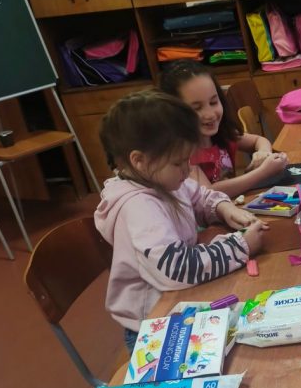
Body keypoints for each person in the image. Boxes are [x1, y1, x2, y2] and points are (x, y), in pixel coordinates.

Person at [95, 90, 269, 352]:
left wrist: (223, 208)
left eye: (188, 159)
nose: (188, 169)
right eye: (179, 163)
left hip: (179, 300)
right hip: (154, 326)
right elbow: (179, 268)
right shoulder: (138, 207)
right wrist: (241, 246)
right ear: (139, 161)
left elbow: (198, 195)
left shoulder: (160, 179)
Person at [160, 60, 288, 196]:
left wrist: (263, 153)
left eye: (213, 102)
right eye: (197, 108)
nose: (210, 114)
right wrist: (263, 172)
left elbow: (258, 140)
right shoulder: (181, 154)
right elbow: (208, 192)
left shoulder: (222, 134)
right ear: (173, 112)